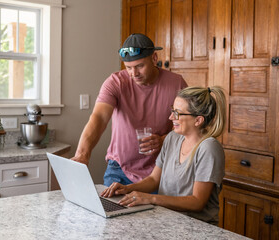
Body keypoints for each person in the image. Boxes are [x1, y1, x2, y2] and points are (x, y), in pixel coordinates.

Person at [72, 33, 187, 186]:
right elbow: (99, 118)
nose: (134, 74)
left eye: (140, 66)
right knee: (110, 210)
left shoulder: (176, 84)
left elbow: (189, 125)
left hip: (161, 170)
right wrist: (82, 155)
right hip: (119, 169)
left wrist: (163, 140)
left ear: (154, 58)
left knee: (157, 211)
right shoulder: (115, 82)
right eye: (129, 68)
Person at [101, 86, 227, 225]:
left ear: (198, 120)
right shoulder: (172, 138)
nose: (171, 117)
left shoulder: (209, 148)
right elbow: (154, 179)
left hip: (197, 226)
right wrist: (128, 188)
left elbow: (197, 202)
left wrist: (151, 198)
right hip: (168, 219)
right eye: (172, 110)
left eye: (177, 113)